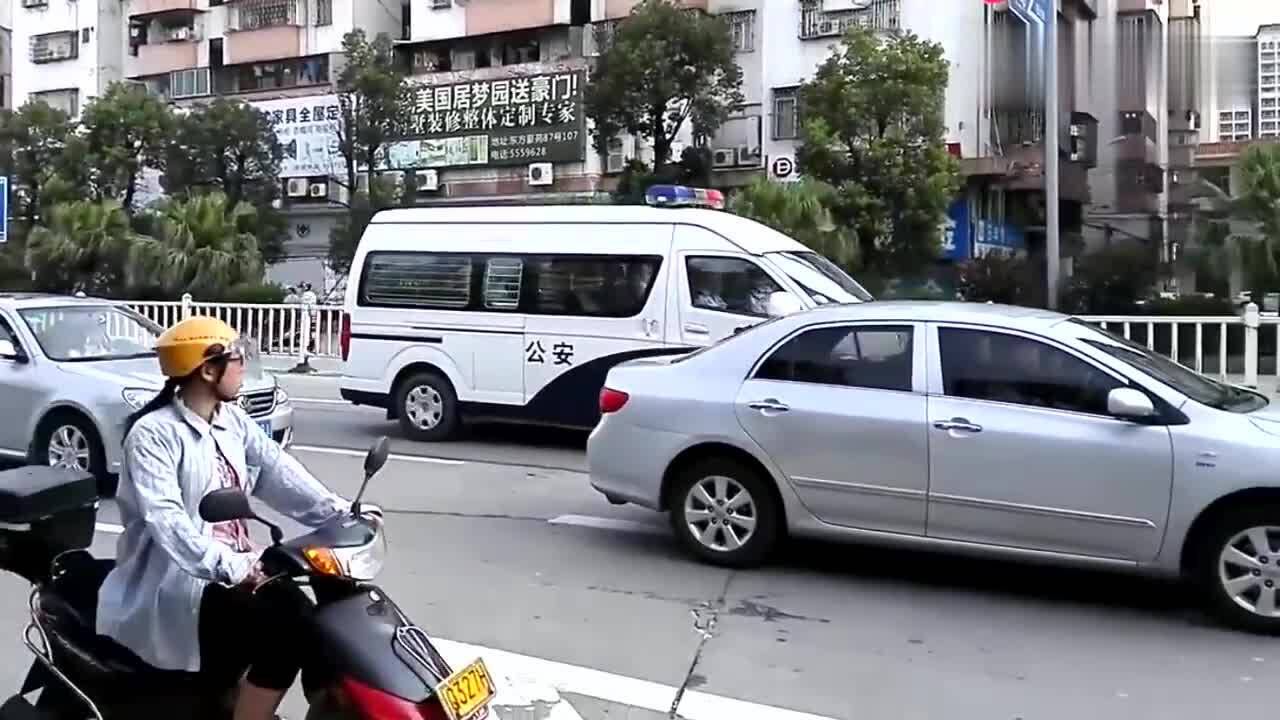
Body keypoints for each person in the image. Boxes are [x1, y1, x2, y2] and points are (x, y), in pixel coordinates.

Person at [96, 316, 357, 720]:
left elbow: (276, 470)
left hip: (237, 567)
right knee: (289, 627)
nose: (242, 369)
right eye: (237, 360)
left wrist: (340, 512)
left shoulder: (229, 420)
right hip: (177, 579)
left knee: (323, 622)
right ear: (208, 368)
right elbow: (168, 522)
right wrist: (233, 565)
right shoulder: (152, 435)